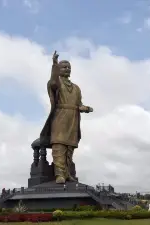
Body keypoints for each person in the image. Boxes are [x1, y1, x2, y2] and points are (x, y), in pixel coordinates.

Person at [40, 51, 93, 184]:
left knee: (69, 148)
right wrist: (54, 65)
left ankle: (67, 174)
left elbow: (79, 104)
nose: (67, 69)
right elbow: (53, 82)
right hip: (60, 116)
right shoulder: (57, 83)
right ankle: (59, 174)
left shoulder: (76, 88)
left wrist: (85, 108)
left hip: (73, 119)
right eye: (64, 67)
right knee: (59, 145)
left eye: (69, 67)